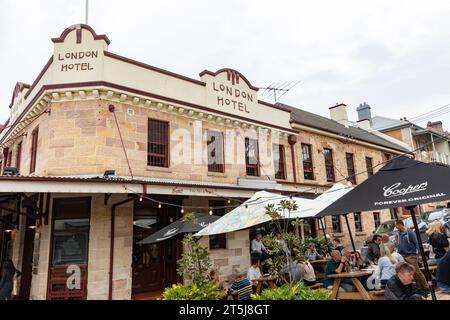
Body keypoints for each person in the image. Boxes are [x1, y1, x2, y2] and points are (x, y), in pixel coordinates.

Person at [395, 220, 428, 290]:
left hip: (411, 256)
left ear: (400, 225)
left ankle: (426, 287)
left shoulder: (410, 232)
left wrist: (419, 254)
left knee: (416, 272)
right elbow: (398, 244)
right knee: (407, 274)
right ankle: (415, 288)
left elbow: (417, 243)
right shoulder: (398, 234)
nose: (396, 227)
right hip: (402, 256)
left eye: (396, 226)